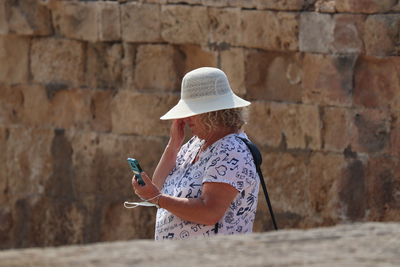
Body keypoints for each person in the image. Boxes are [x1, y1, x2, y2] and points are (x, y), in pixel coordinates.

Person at [131, 67, 260, 240]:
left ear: (213, 113)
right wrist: (173, 145)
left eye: (191, 112)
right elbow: (159, 187)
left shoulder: (230, 150)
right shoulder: (195, 145)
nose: (185, 119)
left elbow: (209, 212)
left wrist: (157, 198)